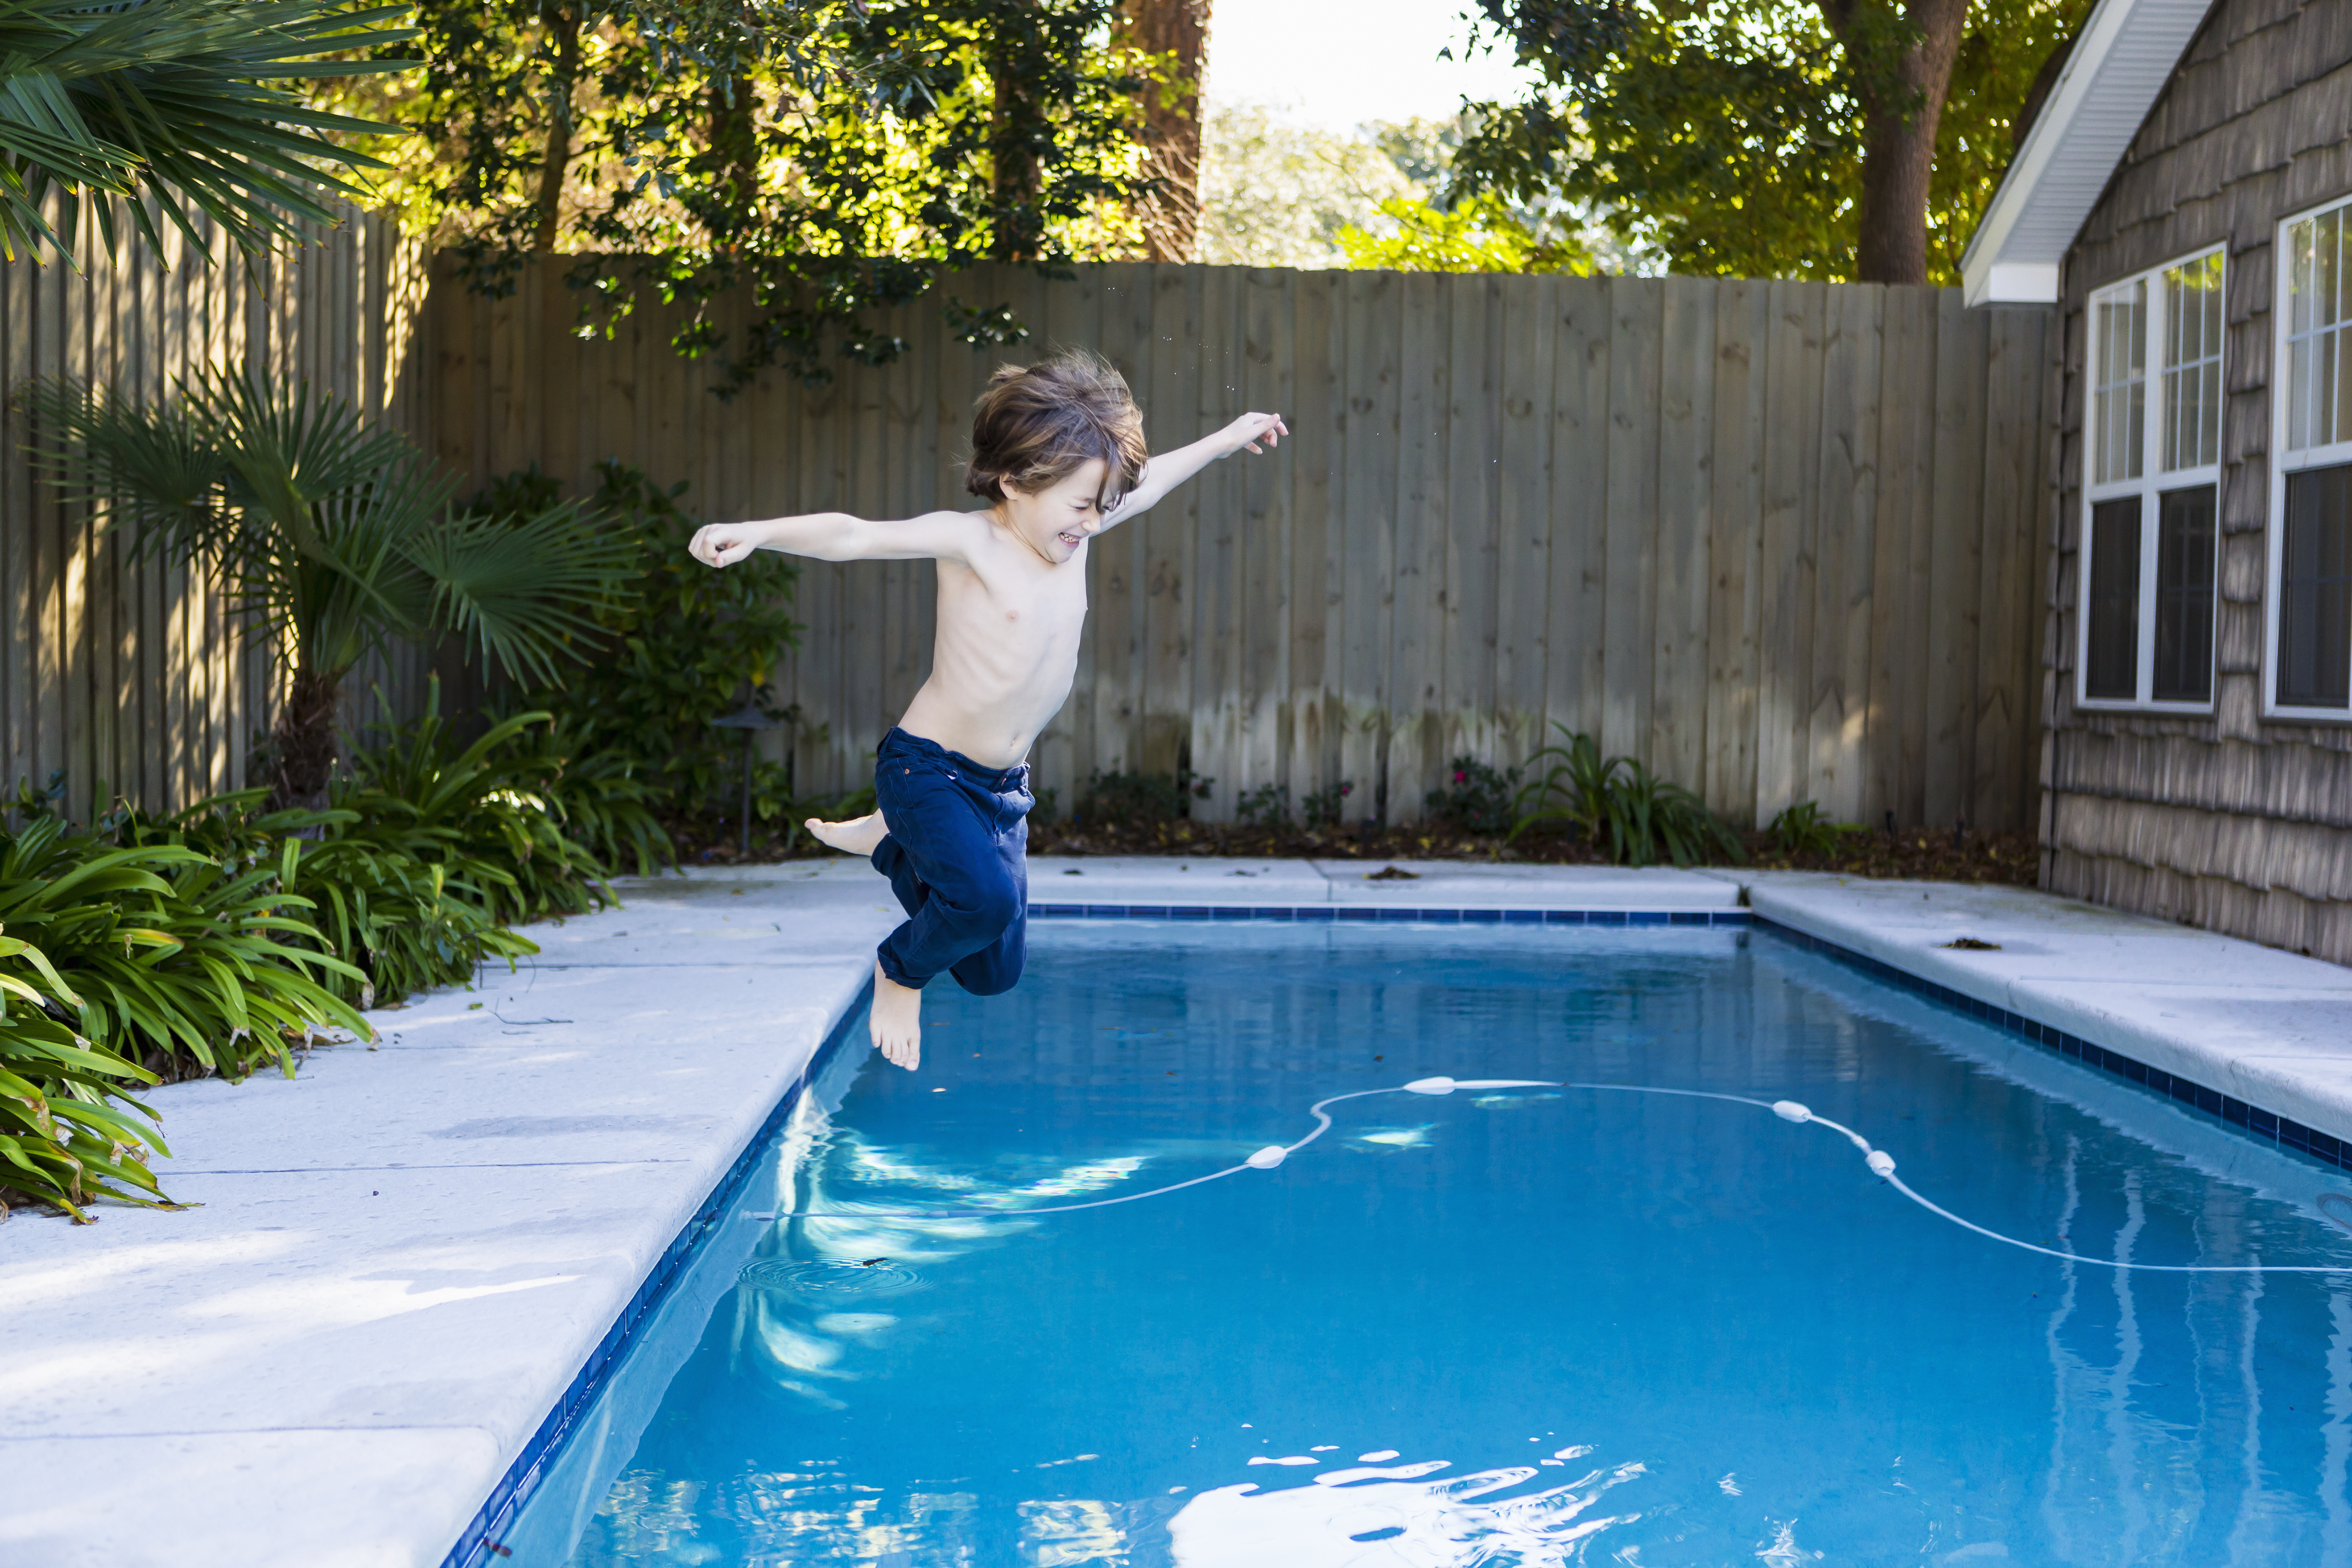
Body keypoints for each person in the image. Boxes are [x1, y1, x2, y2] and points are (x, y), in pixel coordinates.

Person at [687, 349, 1287, 1071]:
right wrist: (759, 532)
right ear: (1013, 483)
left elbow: (1149, 485)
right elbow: (855, 535)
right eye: (1079, 506)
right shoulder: (972, 540)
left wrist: (1227, 438)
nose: (1094, 523)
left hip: (1001, 790)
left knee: (990, 971)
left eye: (1103, 505)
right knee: (982, 905)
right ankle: (896, 972)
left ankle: (887, 846)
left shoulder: (1073, 535)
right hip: (926, 769)